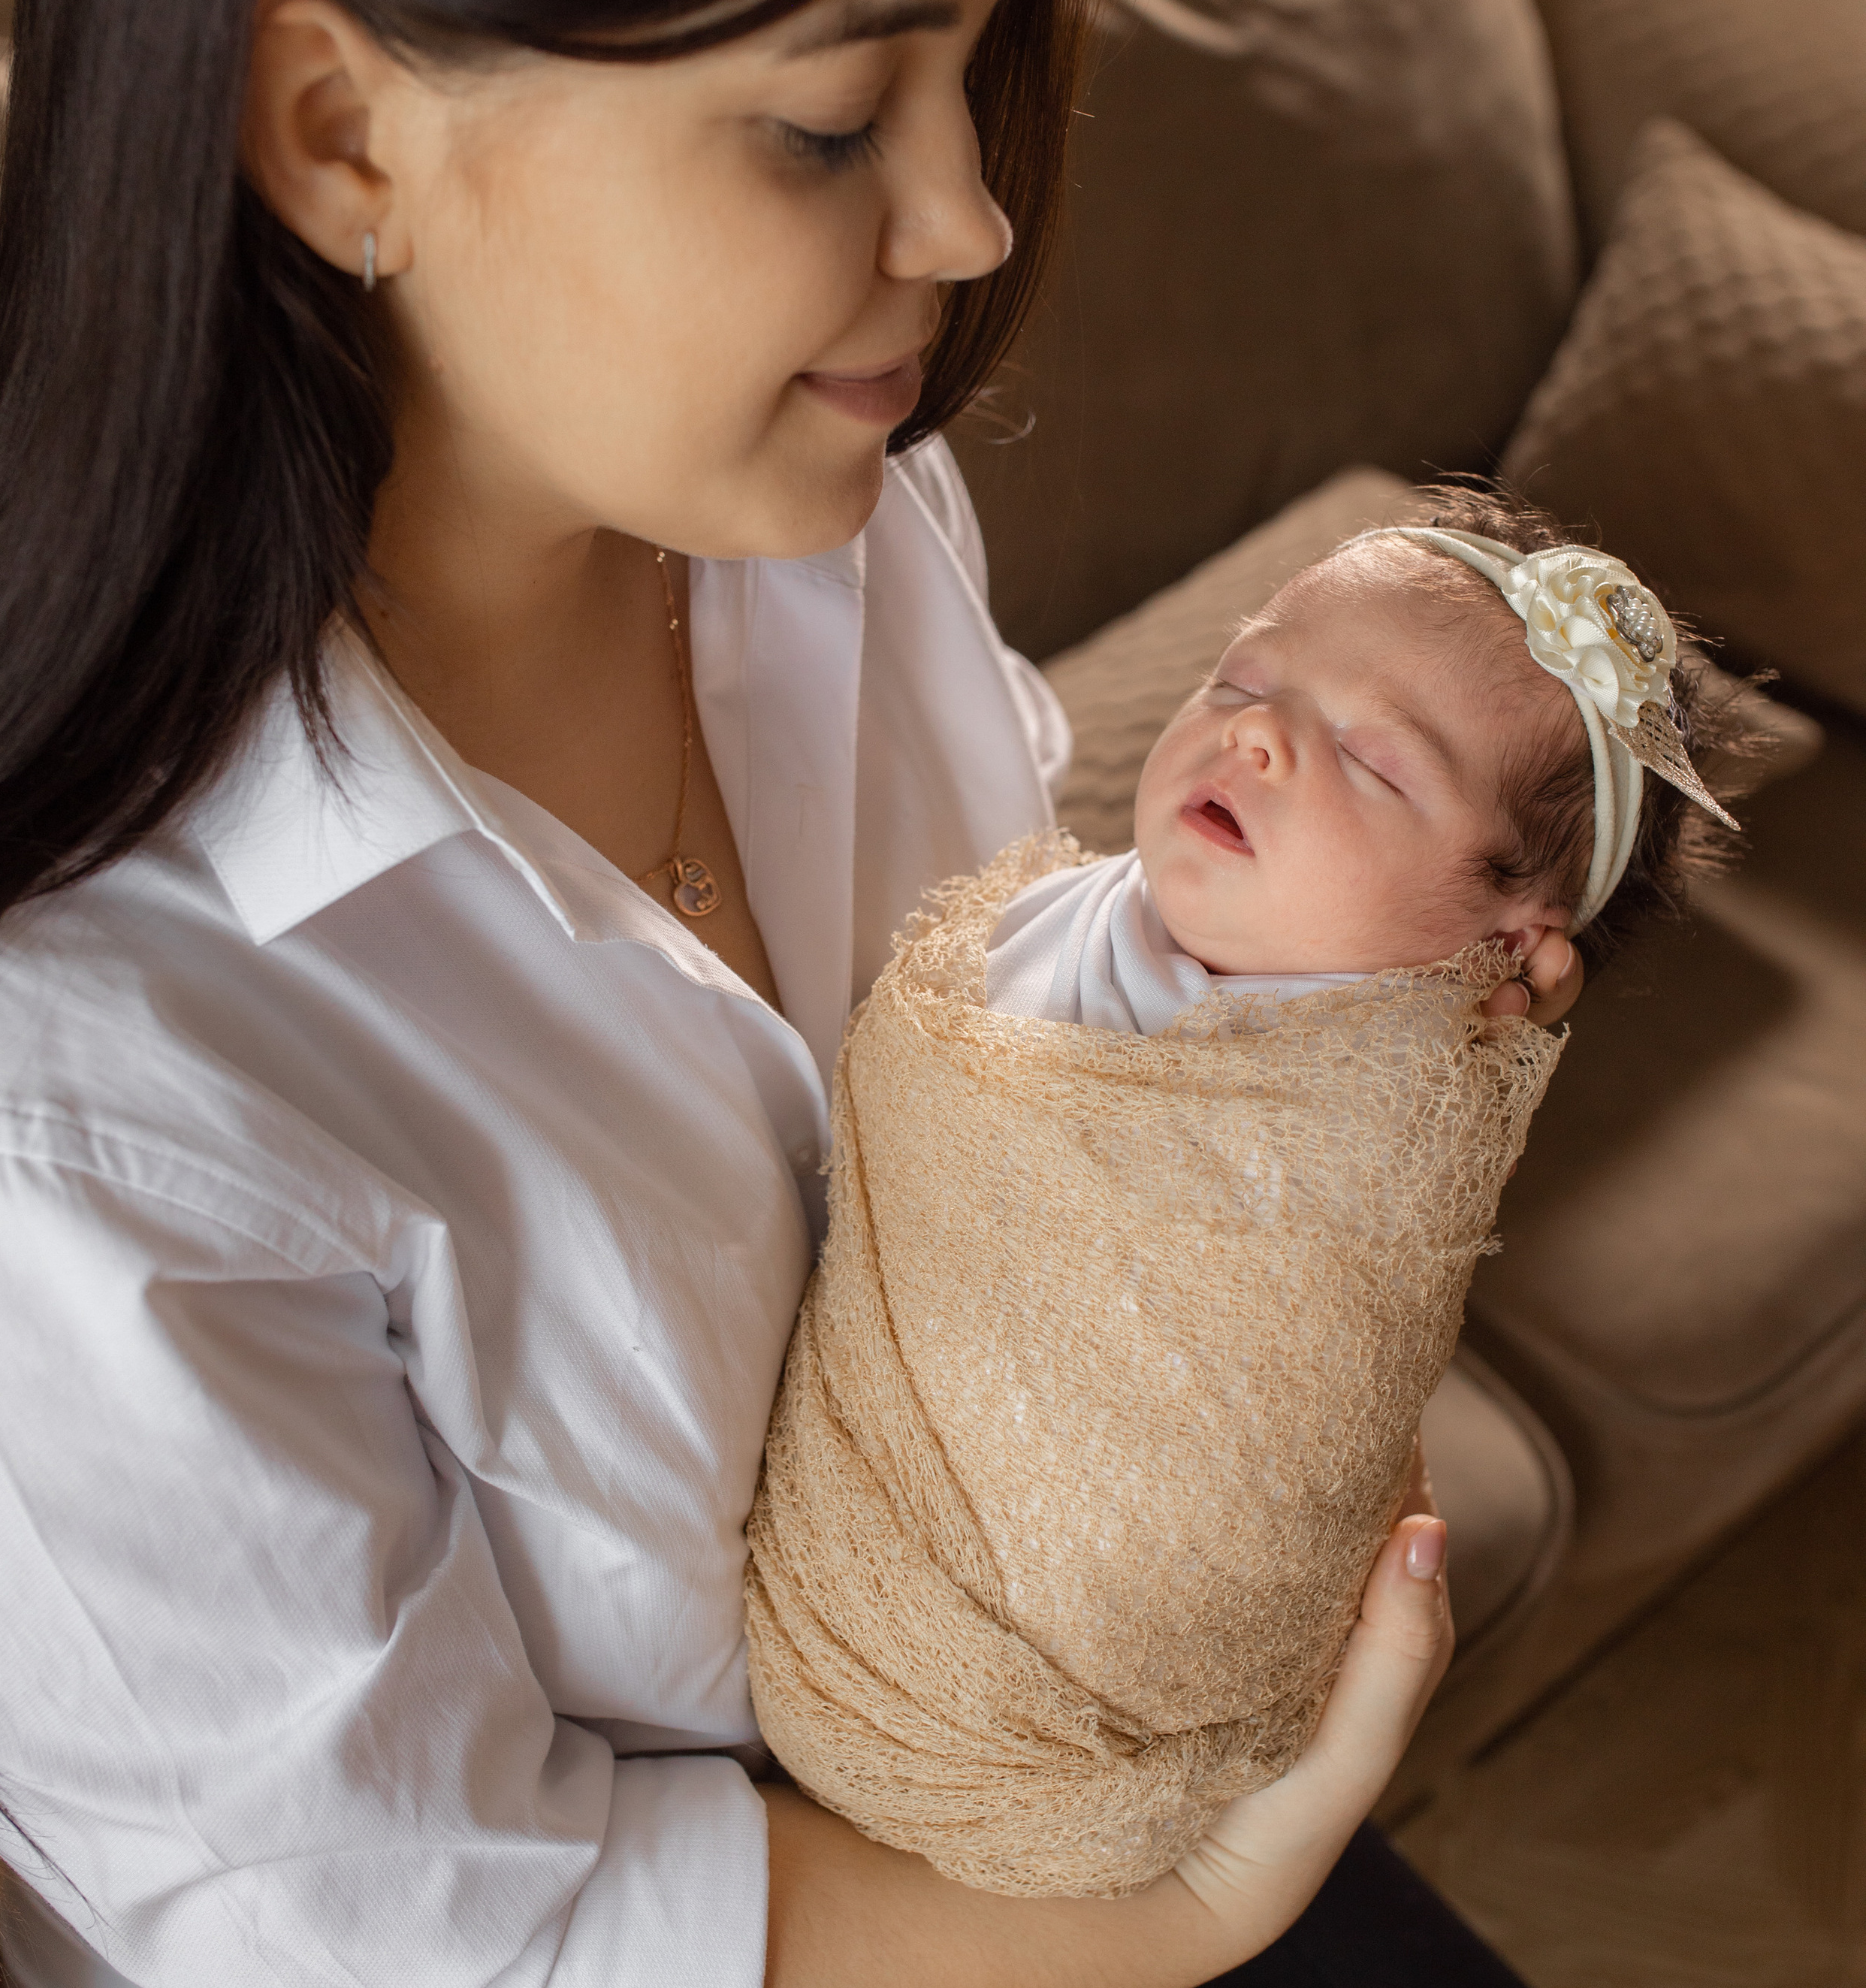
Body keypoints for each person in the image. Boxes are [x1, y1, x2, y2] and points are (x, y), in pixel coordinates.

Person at [0, 0, 1759, 1988]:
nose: (962, 220)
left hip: (942, 1712)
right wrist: (1194, 1898)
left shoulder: (838, 531)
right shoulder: (71, 1079)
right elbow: (438, 1955)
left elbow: (1037, 1084)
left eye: (995, 53)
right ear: (340, 132)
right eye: (828, 119)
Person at [745, 491, 1751, 1902]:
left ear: (1510, 935)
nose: (1256, 732)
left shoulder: (1359, 1114)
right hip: (848, 1593)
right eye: (1245, 677)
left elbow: (1244, 1381)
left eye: (1375, 763)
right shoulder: (1092, 907)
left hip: (1054, 1706)